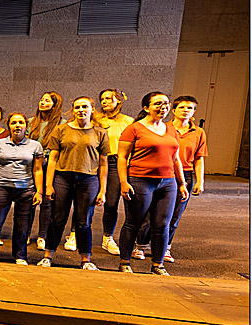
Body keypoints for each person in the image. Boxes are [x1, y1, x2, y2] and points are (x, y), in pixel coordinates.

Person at [116, 92, 189, 276]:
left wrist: (181, 183)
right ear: (146, 107)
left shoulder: (171, 129)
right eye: (157, 103)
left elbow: (176, 159)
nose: (163, 107)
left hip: (167, 183)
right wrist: (124, 182)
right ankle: (124, 262)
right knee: (134, 222)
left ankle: (158, 264)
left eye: (165, 103)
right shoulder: (134, 129)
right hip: (140, 180)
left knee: (162, 224)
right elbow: (122, 157)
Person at [36, 97, 109, 270]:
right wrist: (49, 185)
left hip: (88, 180)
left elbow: (104, 164)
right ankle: (48, 256)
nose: (81, 110)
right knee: (57, 218)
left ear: (92, 109)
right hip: (63, 178)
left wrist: (103, 190)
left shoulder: (100, 133)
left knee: (84, 221)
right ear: (73, 110)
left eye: (85, 106)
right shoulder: (61, 130)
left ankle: (86, 259)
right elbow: (52, 158)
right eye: (77, 107)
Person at [0, 113, 44, 264]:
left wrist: (39, 191)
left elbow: (37, 170)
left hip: (25, 189)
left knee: (22, 225)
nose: (17, 125)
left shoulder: (35, 145)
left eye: (20, 122)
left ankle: (20, 256)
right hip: (1, 187)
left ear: (26, 126)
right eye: (13, 122)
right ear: (8, 125)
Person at [87, 88, 135, 256]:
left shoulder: (128, 121)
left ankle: (107, 237)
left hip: (114, 162)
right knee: (86, 199)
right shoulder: (95, 119)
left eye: (109, 98)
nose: (105, 101)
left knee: (111, 202)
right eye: (103, 99)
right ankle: (75, 234)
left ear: (119, 101)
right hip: (93, 160)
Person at [162, 95, 207, 262]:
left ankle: (166, 247)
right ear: (173, 110)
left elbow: (199, 158)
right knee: (154, 212)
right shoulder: (163, 128)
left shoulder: (198, 133)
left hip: (186, 175)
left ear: (194, 112)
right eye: (182, 107)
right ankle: (142, 245)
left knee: (175, 214)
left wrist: (200, 181)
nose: (185, 110)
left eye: (190, 108)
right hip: (163, 173)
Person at [28, 92, 64, 250]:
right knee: (29, 200)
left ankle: (42, 235)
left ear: (55, 105)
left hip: (50, 165)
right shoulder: (31, 122)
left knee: (47, 201)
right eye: (41, 100)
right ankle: (26, 233)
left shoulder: (62, 124)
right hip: (32, 164)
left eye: (47, 101)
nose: (43, 103)